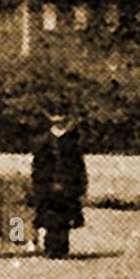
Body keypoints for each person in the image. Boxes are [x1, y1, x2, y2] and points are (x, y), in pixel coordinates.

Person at [30, 110, 87, 258]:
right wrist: (39, 185)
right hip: (48, 184)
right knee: (50, 218)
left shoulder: (72, 141)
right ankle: (51, 248)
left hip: (67, 185)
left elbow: (78, 165)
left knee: (64, 218)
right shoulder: (43, 141)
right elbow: (38, 166)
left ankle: (61, 248)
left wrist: (80, 185)